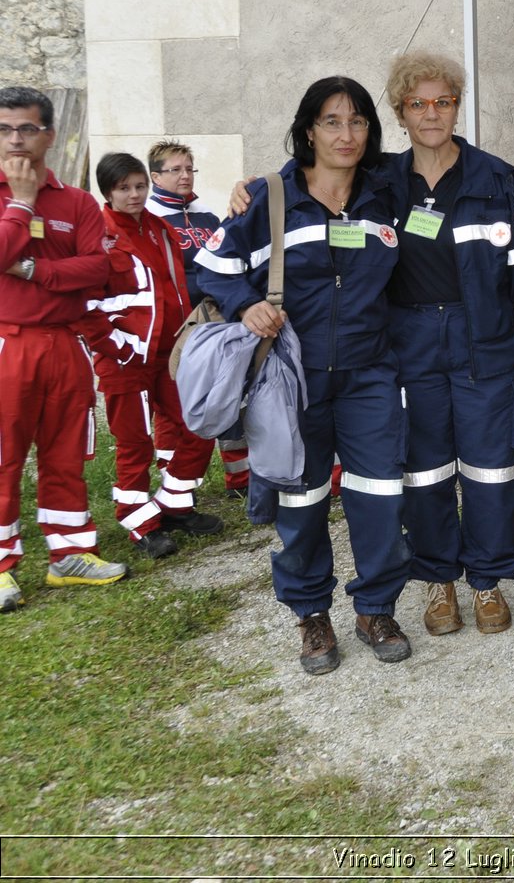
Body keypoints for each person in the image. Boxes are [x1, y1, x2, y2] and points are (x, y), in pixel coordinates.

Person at [197, 76, 413, 674]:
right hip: (294, 378)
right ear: (308, 130)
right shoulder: (269, 198)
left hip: (371, 374)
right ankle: (311, 614)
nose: (346, 135)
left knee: (378, 497)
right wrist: (245, 304)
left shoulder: (387, 195)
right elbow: (210, 266)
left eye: (358, 122)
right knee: (302, 498)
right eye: (331, 122)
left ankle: (375, 607)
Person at [385, 52, 514, 637]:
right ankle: (439, 581)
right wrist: (256, 189)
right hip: (412, 344)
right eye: (419, 103)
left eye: (443, 102)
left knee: (492, 469)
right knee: (424, 473)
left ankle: (487, 581)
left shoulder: (496, 178)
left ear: (457, 105)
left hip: (486, 342)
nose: (432, 113)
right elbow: (313, 177)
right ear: (401, 112)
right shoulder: (380, 184)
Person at [0, 85, 123, 612]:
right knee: (3, 455)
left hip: (65, 344)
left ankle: (69, 553)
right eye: (5, 129)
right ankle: (2, 567)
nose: (16, 141)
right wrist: (20, 203)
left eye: (27, 128)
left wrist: (33, 269)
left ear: (49, 134)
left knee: (64, 452)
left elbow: (100, 268)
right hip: (8, 341)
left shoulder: (75, 201)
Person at [81, 153, 224, 560]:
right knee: (134, 444)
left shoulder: (160, 228)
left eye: (139, 186)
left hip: (171, 352)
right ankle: (137, 520)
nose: (134, 194)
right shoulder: (98, 234)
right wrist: (120, 347)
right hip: (125, 358)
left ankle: (174, 504)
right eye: (124, 188)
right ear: (108, 191)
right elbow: (86, 304)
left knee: (198, 422)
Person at [144, 140, 253, 501]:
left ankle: (240, 478)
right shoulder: (150, 218)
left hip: (213, 322)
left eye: (189, 169)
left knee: (229, 394)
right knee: (176, 405)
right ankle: (172, 479)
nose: (185, 176)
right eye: (175, 170)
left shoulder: (206, 217)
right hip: (174, 327)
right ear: (156, 176)